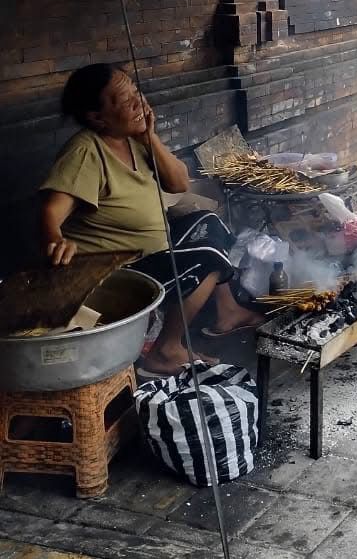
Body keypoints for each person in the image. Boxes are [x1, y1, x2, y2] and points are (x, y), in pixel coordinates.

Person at [40, 64, 261, 375]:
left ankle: (228, 312)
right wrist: (55, 240)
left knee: (208, 223)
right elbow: (51, 211)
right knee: (207, 257)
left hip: (153, 250)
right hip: (118, 271)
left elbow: (179, 183)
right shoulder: (86, 152)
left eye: (136, 91)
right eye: (124, 99)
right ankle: (165, 350)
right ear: (98, 117)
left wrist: (150, 138)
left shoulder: (133, 140)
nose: (139, 102)